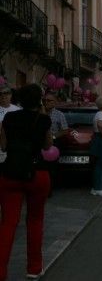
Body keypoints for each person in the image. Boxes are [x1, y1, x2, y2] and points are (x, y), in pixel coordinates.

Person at [0, 84, 52, 280]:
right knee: (35, 220)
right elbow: (48, 146)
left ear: (19, 100)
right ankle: (34, 268)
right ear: (39, 100)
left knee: (7, 223)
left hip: (11, 173)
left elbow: (3, 145)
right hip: (37, 173)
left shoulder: (9, 118)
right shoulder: (44, 120)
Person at [0, 85, 20, 168]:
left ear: (11, 95)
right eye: (0, 93)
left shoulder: (18, 110)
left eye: (6, 93)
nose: (3, 95)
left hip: (13, 146)